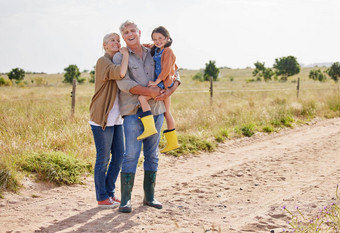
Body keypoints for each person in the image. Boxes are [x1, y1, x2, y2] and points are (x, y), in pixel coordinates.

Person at [112, 20, 180, 213]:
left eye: (133, 30)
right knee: (131, 154)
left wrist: (171, 89)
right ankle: (126, 200)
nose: (130, 34)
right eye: (126, 32)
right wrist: (151, 92)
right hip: (134, 112)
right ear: (123, 37)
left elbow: (175, 69)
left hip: (157, 110)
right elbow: (124, 84)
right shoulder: (120, 57)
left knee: (152, 154)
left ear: (139, 32)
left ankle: (149, 197)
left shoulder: (155, 49)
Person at [89, 32, 129, 207]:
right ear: (105, 45)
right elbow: (120, 74)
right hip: (102, 118)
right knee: (103, 158)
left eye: (118, 40)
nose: (116, 42)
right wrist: (126, 54)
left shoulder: (118, 60)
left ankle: (110, 193)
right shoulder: (103, 61)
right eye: (112, 40)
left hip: (116, 118)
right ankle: (102, 197)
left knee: (119, 155)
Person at [137, 26, 180, 153]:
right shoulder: (156, 49)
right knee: (167, 112)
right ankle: (173, 142)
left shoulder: (168, 51)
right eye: (155, 39)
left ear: (167, 38)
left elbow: (167, 69)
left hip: (163, 83)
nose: (157, 41)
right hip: (166, 83)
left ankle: (149, 127)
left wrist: (157, 81)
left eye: (160, 38)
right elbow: (146, 46)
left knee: (142, 98)